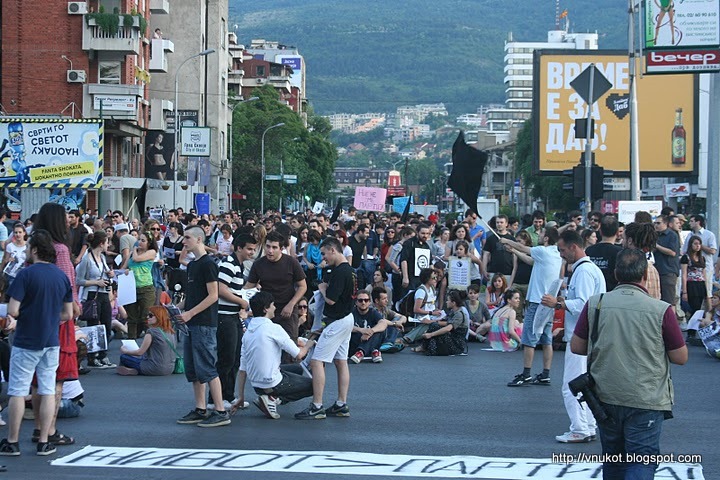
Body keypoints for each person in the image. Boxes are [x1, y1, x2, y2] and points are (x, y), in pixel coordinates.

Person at [570, 248, 687, 477]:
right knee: (641, 460)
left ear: (615, 274)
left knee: (613, 459)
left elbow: (577, 346)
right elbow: (680, 357)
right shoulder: (661, 309)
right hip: (646, 398)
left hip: (605, 396)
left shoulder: (596, 303)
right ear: (645, 275)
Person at [0, 230, 74, 457]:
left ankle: (12, 441)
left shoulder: (26, 275)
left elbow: (13, 309)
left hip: (26, 339)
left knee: (18, 391)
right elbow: (68, 314)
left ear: (33, 250)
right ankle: (44, 440)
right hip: (51, 339)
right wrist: (50, 317)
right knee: (48, 389)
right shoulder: (61, 276)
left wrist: (25, 314)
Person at [542, 230, 605, 443]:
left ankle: (580, 428)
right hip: (588, 334)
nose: (561, 254)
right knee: (584, 384)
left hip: (581, 336)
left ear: (573, 247)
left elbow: (585, 304)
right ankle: (587, 425)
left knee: (572, 384)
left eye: (562, 250)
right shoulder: (586, 269)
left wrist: (559, 303)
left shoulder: (584, 271)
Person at [295, 237, 355, 420]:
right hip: (347, 318)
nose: (323, 258)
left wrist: (322, 288)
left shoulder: (340, 272)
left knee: (316, 361)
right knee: (340, 361)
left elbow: (331, 299)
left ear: (333, 250)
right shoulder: (350, 271)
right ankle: (341, 404)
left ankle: (317, 405)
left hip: (337, 320)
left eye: (323, 254)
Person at [176, 226, 229, 428]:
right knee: (193, 369)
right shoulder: (192, 265)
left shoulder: (208, 264)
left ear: (199, 239)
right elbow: (192, 297)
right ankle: (200, 408)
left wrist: (190, 313)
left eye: (187, 237)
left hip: (204, 323)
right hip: (192, 322)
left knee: (207, 367)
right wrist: (176, 308)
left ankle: (220, 410)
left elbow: (213, 295)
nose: (184, 242)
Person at [232, 291, 316, 419]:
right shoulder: (274, 328)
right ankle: (274, 398)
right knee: (315, 385)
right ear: (266, 309)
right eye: (272, 305)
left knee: (297, 369)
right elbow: (299, 354)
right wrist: (309, 343)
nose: (275, 308)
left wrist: (241, 397)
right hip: (271, 383)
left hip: (257, 385)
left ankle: (268, 397)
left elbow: (243, 369)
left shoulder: (248, 333)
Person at [502, 228, 562, 386]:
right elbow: (530, 260)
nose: (539, 236)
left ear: (547, 238)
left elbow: (524, 248)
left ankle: (526, 374)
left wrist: (506, 240)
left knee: (529, 338)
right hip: (549, 302)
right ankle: (545, 374)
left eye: (542, 234)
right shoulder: (555, 253)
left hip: (537, 301)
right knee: (546, 338)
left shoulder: (543, 251)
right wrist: (513, 250)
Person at [245, 231, 307, 359]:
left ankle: (290, 376)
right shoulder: (258, 264)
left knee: (289, 348)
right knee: (267, 347)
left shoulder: (291, 262)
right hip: (267, 311)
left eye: (274, 247)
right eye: (268, 246)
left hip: (287, 309)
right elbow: (248, 286)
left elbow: (303, 286)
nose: (270, 251)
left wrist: (291, 304)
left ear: (281, 248)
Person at [215, 234, 256, 408]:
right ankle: (218, 398)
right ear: (239, 248)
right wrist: (241, 302)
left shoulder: (238, 266)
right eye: (249, 249)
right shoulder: (228, 264)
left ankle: (229, 395)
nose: (252, 253)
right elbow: (220, 289)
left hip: (233, 316)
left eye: (254, 249)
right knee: (226, 358)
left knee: (234, 357)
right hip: (224, 316)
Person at [75, 231, 116, 368]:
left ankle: (103, 355)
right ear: (101, 243)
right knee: (93, 326)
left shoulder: (102, 258)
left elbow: (103, 273)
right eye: (107, 242)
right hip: (93, 294)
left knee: (106, 325)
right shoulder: (87, 259)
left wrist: (110, 274)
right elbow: (79, 280)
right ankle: (92, 356)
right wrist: (95, 282)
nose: (108, 245)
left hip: (104, 293)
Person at [117, 305, 177, 376]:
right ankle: (135, 370)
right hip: (170, 369)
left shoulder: (152, 332)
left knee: (124, 357)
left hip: (154, 368)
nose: (147, 317)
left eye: (151, 315)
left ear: (158, 317)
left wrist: (125, 351)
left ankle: (133, 370)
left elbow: (140, 352)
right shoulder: (170, 332)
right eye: (148, 315)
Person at [125, 232, 157, 339]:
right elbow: (124, 267)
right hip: (131, 288)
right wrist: (124, 271)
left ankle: (151, 341)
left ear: (149, 243)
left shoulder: (151, 252)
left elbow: (136, 259)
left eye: (143, 241)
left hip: (146, 288)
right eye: (139, 240)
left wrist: (134, 249)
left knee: (145, 317)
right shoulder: (131, 254)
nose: (140, 242)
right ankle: (131, 343)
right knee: (132, 318)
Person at [420, 289, 468, 356]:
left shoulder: (459, 314)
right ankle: (423, 346)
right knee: (434, 325)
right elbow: (445, 322)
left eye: (448, 300)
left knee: (435, 330)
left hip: (456, 344)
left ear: (453, 303)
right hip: (452, 338)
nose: (446, 302)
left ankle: (423, 346)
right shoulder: (453, 311)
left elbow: (448, 328)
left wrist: (431, 334)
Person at [585, 215, 622, 292]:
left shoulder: (589, 251)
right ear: (617, 233)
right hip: (612, 294)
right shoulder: (620, 252)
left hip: (591, 294)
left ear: (600, 231)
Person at [654, 215, 681, 305]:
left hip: (668, 271)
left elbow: (673, 252)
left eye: (658, 223)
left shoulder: (672, 235)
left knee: (669, 301)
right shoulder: (655, 235)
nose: (656, 225)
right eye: (655, 223)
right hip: (657, 270)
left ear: (665, 223)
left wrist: (657, 246)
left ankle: (672, 319)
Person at [1, 223, 28, 296]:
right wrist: (9, 260)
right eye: (16, 232)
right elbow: (5, 260)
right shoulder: (10, 246)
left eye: (20, 232)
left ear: (24, 233)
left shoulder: (28, 246)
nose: (18, 234)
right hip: (12, 275)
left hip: (25, 274)